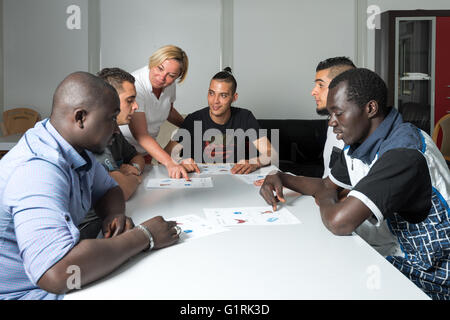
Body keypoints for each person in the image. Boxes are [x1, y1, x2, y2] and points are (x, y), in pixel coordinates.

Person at [259, 68, 450, 300]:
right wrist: (282, 176)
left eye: (338, 113)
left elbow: (339, 221)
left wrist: (329, 199)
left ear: (370, 108)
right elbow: (326, 186)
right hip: (393, 252)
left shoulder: (404, 153)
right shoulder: (361, 142)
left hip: (429, 278)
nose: (331, 123)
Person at [0, 72, 180, 300]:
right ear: (80, 118)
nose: (116, 129)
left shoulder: (72, 144)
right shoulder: (36, 171)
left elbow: (109, 189)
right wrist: (144, 236)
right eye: (111, 118)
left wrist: (113, 215)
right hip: (30, 291)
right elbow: (56, 273)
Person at [77, 68, 146, 240]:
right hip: (88, 227)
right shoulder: (95, 133)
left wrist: (133, 169)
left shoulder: (114, 130)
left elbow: (136, 157)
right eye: (130, 100)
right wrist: (134, 178)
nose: (136, 106)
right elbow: (122, 190)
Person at [164, 67, 272, 175]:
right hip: (201, 179)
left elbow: (271, 154)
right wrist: (179, 162)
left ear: (234, 97)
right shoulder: (194, 119)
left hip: (235, 179)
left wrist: (254, 163)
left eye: (223, 95)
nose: (215, 101)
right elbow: (166, 154)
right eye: (211, 93)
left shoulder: (245, 116)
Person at [120, 45, 191, 179]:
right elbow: (141, 135)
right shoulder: (135, 85)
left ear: (178, 76)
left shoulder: (169, 85)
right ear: (153, 62)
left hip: (146, 153)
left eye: (171, 75)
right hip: (124, 152)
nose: (162, 77)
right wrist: (170, 162)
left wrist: (189, 125)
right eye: (159, 68)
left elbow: (167, 110)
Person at [311, 57, 356, 178]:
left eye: (320, 85)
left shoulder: (359, 131)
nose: (313, 91)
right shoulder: (332, 123)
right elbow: (328, 181)